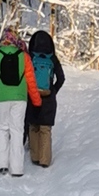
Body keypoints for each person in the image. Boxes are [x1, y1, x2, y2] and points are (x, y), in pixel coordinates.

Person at [0, 29, 39, 176]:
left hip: (1, 98)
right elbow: (31, 81)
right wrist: (37, 102)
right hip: (20, 98)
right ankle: (17, 169)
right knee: (17, 131)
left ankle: (2, 166)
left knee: (2, 129)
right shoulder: (24, 56)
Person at [26, 28, 65, 167]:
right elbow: (61, 78)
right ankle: (45, 160)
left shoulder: (30, 57)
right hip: (48, 98)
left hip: (32, 95)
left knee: (33, 126)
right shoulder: (53, 58)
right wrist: (53, 90)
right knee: (45, 129)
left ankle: (35, 157)